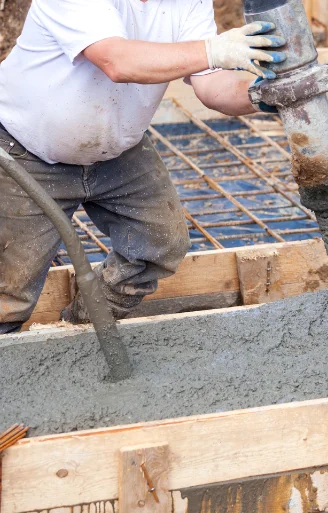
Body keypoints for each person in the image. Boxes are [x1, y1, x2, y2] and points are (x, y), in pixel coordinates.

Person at [0, 0, 291, 334]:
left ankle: (82, 331)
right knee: (9, 290)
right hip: (25, 150)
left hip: (117, 149)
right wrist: (213, 50)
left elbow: (212, 86)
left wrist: (261, 94)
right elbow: (117, 60)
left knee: (160, 242)